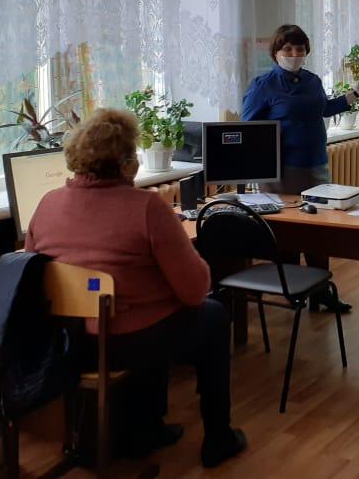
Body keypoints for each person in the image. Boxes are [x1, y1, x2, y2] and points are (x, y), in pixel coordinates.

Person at [25, 108, 246, 468]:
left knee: (160, 314)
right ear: (128, 163)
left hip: (68, 341)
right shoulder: (147, 208)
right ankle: (218, 439)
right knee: (212, 316)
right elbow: (194, 290)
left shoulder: (47, 203)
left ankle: (148, 429)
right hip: (127, 341)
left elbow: (34, 270)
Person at [241, 24, 359, 313]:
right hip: (282, 171)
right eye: (287, 49)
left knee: (320, 232)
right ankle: (293, 292)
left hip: (316, 164)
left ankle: (321, 292)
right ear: (276, 52)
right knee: (289, 234)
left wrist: (354, 95)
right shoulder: (263, 85)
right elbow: (248, 127)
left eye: (299, 49)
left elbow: (323, 109)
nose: (294, 54)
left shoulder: (312, 81)